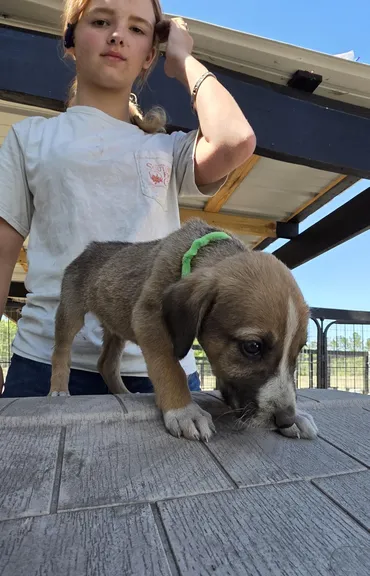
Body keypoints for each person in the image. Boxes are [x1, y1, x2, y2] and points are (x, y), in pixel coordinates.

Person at [0, 0, 256, 398]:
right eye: (101, 21)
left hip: (163, 367)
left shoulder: (167, 149)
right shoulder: (29, 138)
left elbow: (235, 140)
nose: (117, 35)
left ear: (150, 55)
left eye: (137, 30)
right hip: (43, 364)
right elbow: (2, 253)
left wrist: (184, 58)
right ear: (71, 39)